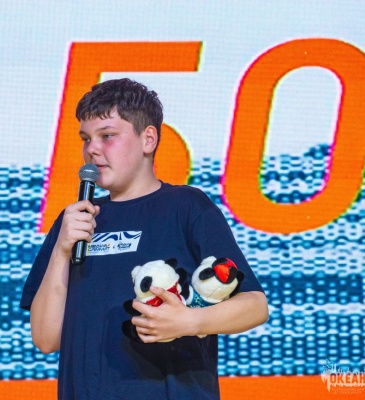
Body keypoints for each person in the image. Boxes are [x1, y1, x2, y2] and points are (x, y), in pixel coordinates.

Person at [20, 78, 268, 399]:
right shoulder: (76, 221)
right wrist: (61, 251)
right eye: (86, 138)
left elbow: (255, 305)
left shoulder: (186, 206)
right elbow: (45, 339)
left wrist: (191, 321)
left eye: (107, 136)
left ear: (148, 139)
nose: (92, 149)